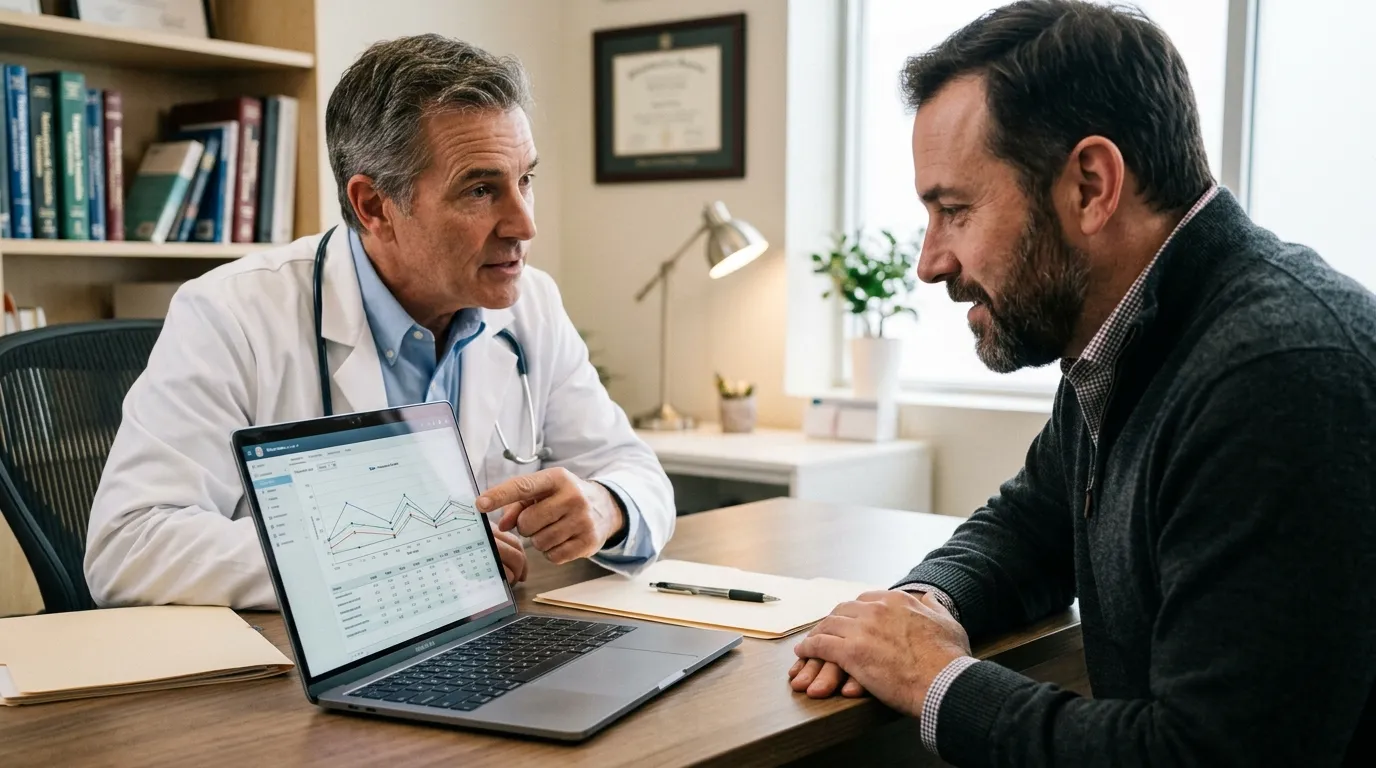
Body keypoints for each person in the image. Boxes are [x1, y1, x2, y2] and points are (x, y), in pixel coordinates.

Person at [788, 1, 1376, 765]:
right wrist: (919, 606)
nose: (929, 261)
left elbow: (1206, 757)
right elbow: (1030, 527)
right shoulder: (1129, 336)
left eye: (955, 211)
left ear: (1092, 186)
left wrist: (933, 678)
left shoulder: (1275, 375)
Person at [84, 34, 674, 610]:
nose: (524, 225)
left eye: (525, 181)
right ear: (374, 207)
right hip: (295, 680)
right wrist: (395, 554)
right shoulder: (232, 313)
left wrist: (606, 504)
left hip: (485, 642)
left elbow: (634, 472)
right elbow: (129, 545)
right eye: (479, 189)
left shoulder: (531, 305)